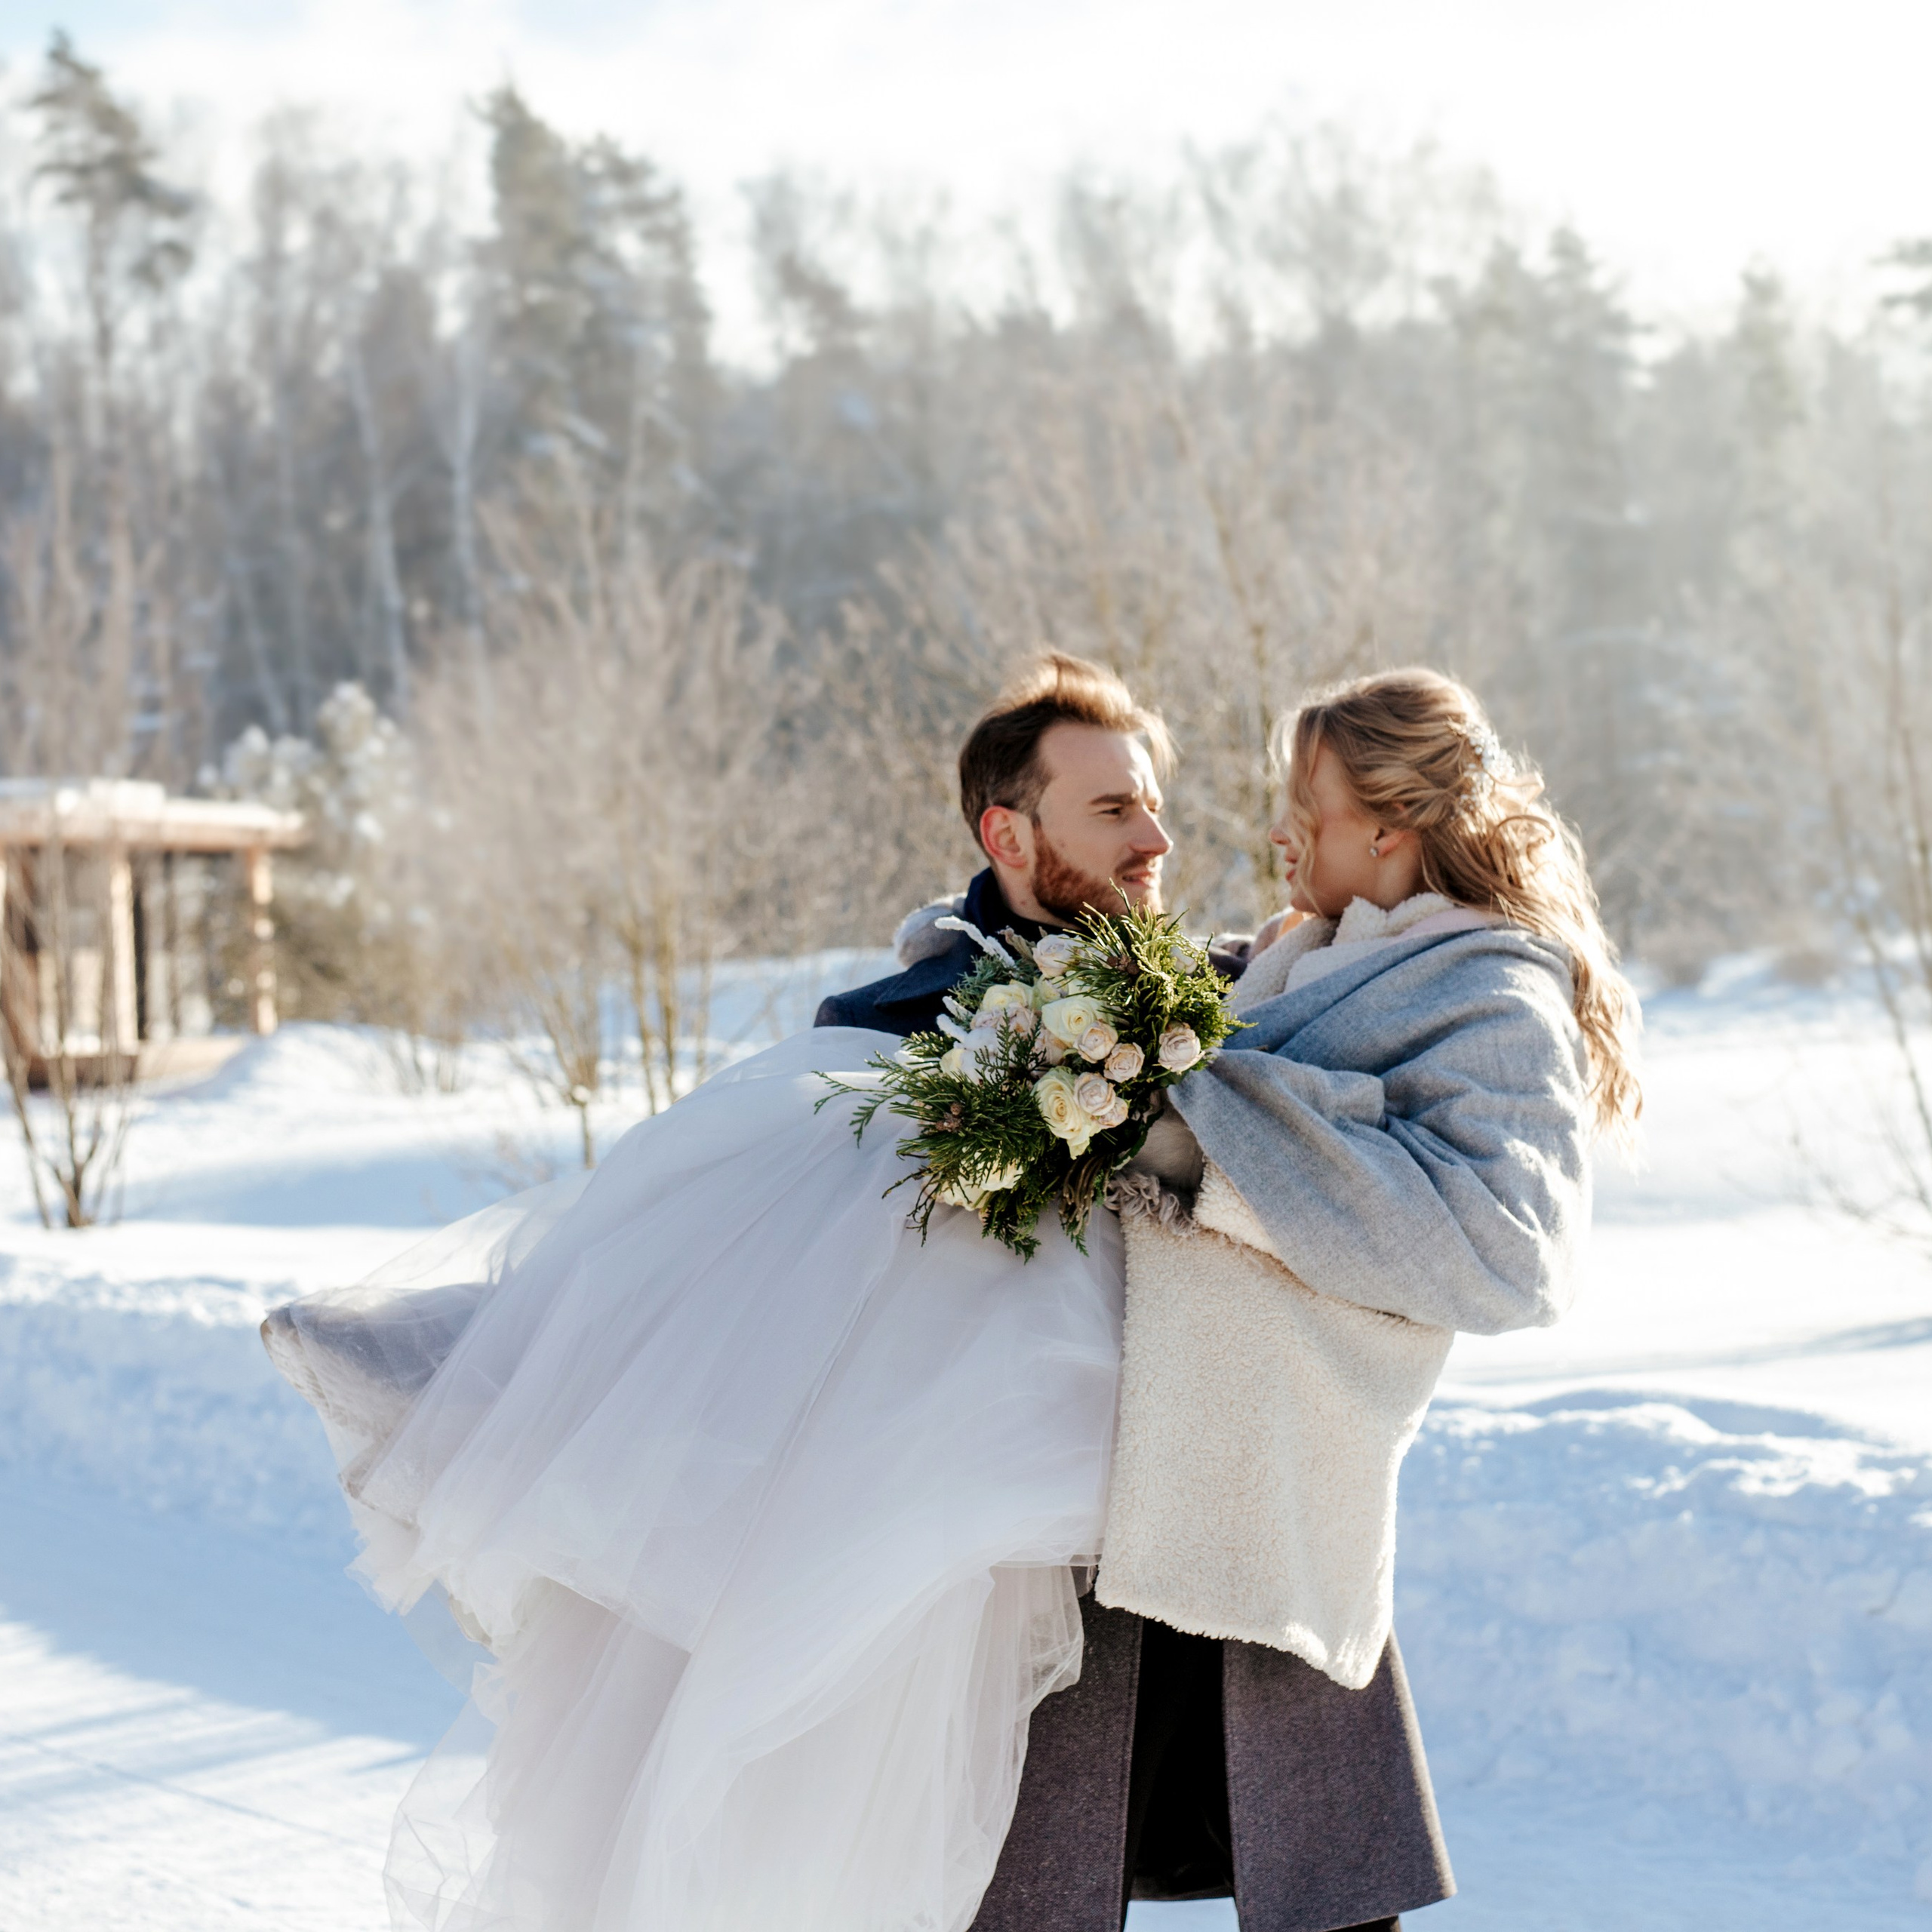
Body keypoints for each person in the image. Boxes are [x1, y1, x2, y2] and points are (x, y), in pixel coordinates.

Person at [261, 658, 1635, 1932]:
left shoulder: (1475, 990)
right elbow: (1162, 1031)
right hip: (1112, 1433)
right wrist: (1037, 1012)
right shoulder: (1305, 950)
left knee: (1301, 1875)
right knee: (833, 1173)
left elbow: (1499, 1241)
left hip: (1256, 1447)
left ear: (1388, 831)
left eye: (1303, 811)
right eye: (1122, 808)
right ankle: (501, 1362)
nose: (1254, 838)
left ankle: (493, 1371)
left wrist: (1208, 1130)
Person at [817, 657, 1456, 1932]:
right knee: (1027, 1902)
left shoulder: (1237, 999)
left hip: (1251, 1503)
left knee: (1327, 1898)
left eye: (1154, 804)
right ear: (1009, 833)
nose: (1157, 836)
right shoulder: (883, 1036)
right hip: (1025, 1566)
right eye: (1112, 810)